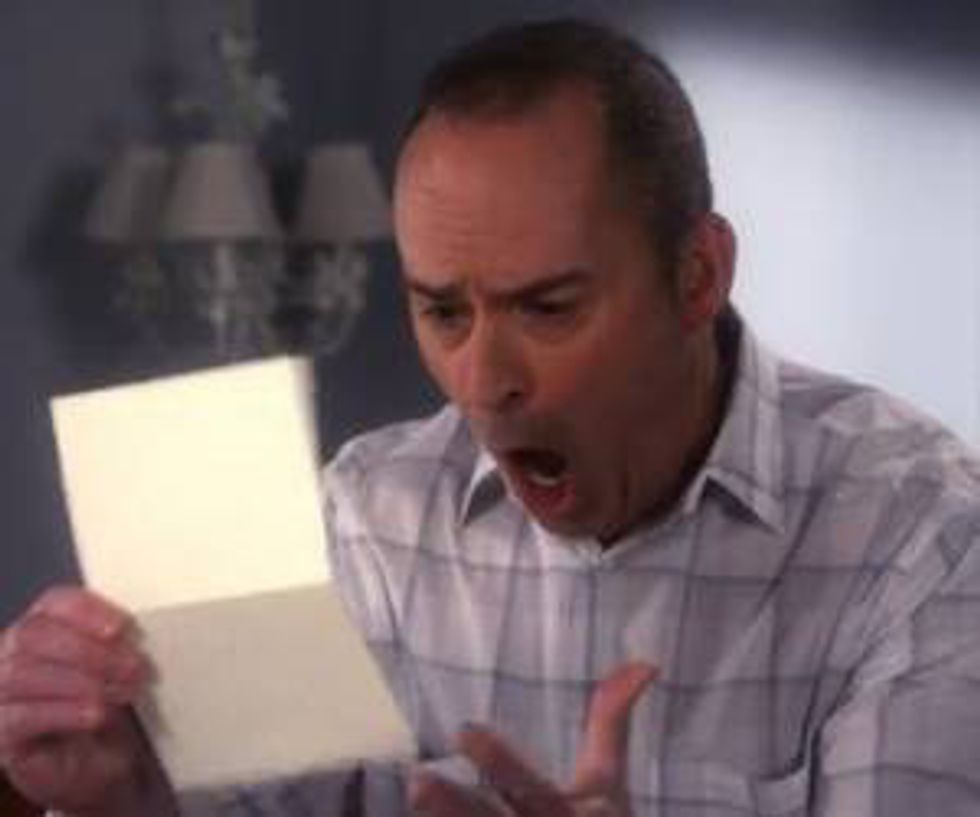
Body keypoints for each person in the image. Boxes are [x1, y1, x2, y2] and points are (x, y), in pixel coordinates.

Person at [2, 17, 979, 817]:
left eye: (546, 308)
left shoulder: (920, 534)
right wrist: (122, 796)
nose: (481, 383)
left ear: (697, 276)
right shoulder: (368, 515)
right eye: (442, 312)